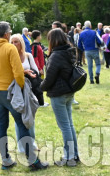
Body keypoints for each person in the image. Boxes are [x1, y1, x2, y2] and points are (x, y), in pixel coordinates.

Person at [0, 21, 48, 171]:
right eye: (10, 33)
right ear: (6, 34)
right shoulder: (9, 48)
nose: (10, 35)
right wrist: (23, 88)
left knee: (2, 126)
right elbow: (18, 73)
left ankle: (6, 160)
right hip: (11, 93)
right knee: (22, 124)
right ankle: (32, 161)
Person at [40, 28, 79, 167]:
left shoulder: (56, 55)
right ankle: (74, 154)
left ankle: (69, 157)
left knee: (65, 127)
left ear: (52, 40)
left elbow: (49, 77)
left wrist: (40, 87)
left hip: (59, 93)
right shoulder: (69, 51)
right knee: (69, 124)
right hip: (69, 91)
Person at [9, 35, 41, 156]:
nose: (14, 44)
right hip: (16, 90)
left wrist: (29, 74)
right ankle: (21, 146)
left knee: (30, 116)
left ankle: (32, 143)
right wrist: (23, 72)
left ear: (21, 43)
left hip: (29, 89)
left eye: (16, 42)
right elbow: (10, 73)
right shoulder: (10, 56)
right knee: (19, 117)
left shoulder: (28, 55)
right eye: (12, 42)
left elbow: (36, 70)